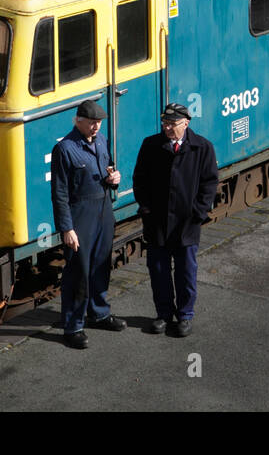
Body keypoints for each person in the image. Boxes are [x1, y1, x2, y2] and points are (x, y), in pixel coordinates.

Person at [132, 102, 219, 338]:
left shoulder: (202, 147)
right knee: (158, 271)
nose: (168, 128)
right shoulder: (151, 145)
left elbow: (210, 183)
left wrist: (198, 213)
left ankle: (184, 316)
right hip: (157, 223)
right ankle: (163, 315)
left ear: (186, 123)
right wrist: (146, 207)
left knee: (185, 272)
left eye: (173, 124)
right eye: (165, 123)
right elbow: (139, 178)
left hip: (186, 224)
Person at [51, 98, 126, 349]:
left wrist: (114, 178)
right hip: (79, 212)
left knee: (101, 264)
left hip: (103, 208)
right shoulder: (65, 149)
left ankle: (99, 312)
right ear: (78, 122)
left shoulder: (102, 141)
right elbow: (59, 193)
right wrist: (67, 228)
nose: (96, 127)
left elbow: (108, 167)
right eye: (92, 123)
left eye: (99, 123)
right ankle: (73, 326)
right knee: (78, 270)